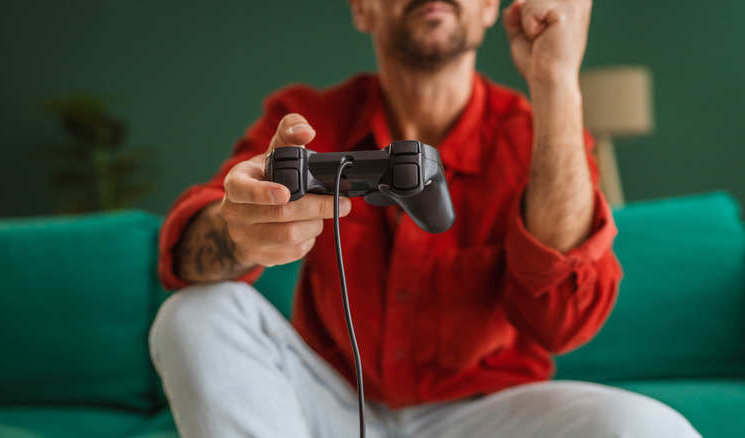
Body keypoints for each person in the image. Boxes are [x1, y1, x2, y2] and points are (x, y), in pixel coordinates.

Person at [149, 0, 701, 437]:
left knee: (648, 428)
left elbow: (563, 323)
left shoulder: (539, 137)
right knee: (194, 314)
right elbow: (186, 254)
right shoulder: (307, 121)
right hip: (332, 407)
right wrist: (239, 230)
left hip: (489, 417)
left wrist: (556, 82)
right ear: (362, 8)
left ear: (490, 7)